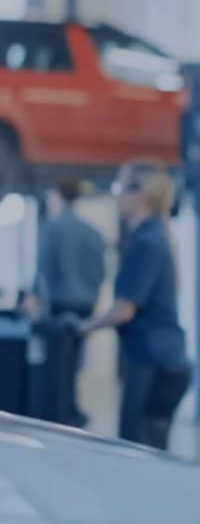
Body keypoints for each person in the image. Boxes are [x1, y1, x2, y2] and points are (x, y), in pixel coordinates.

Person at [77, 161, 191, 450]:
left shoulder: (146, 242)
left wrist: (83, 327)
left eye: (119, 187)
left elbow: (124, 311)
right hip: (165, 360)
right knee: (151, 453)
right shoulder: (155, 236)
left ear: (140, 195)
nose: (115, 195)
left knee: (134, 452)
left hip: (152, 362)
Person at [26, 176, 105, 427]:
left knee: (59, 363)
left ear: (57, 196)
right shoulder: (92, 232)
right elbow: (101, 270)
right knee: (74, 363)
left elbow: (44, 267)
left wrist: (35, 297)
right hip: (86, 304)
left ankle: (61, 412)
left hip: (62, 304)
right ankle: (71, 410)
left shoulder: (53, 227)